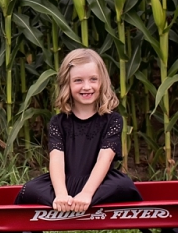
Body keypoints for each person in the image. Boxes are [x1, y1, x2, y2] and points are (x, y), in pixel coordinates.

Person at [15, 48, 141, 211]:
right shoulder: (58, 122)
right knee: (29, 189)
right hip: (65, 182)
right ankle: (65, 201)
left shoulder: (112, 120)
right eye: (78, 80)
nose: (87, 87)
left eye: (93, 79)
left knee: (123, 185)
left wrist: (87, 193)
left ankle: (83, 200)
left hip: (99, 184)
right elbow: (56, 159)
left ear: (102, 81)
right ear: (67, 84)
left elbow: (105, 159)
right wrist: (60, 194)